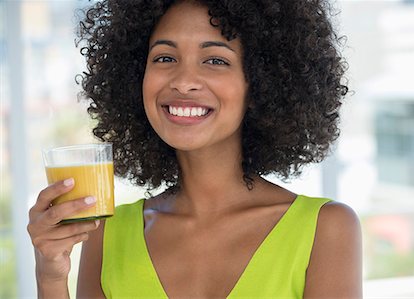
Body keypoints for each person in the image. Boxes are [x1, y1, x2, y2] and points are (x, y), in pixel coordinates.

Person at [28, 0, 362, 298]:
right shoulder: (107, 234)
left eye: (215, 60)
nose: (183, 80)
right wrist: (50, 276)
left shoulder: (325, 229)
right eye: (165, 57)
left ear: (260, 82)